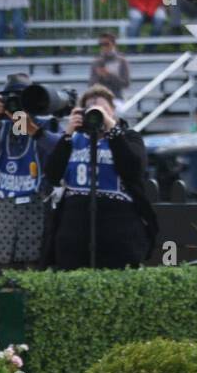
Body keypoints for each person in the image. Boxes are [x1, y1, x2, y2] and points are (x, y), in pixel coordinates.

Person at [42, 85, 158, 269]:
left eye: (104, 109)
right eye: (91, 110)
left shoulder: (129, 137)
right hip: (75, 227)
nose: (97, 114)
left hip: (119, 228)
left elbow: (134, 170)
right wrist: (69, 132)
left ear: (113, 111)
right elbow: (53, 174)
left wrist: (111, 128)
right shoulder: (73, 139)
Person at [0, 74, 62, 268]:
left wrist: (35, 130)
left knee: (33, 267)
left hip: (36, 204)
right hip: (5, 206)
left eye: (21, 99)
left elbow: (62, 152)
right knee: (2, 269)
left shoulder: (45, 124)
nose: (16, 105)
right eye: (10, 99)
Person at [89, 32, 131, 101]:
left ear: (114, 44)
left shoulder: (122, 61)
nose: (103, 47)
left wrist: (108, 75)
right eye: (101, 44)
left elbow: (126, 84)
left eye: (106, 44)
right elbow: (91, 85)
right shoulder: (96, 62)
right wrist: (98, 76)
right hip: (99, 99)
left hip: (116, 98)